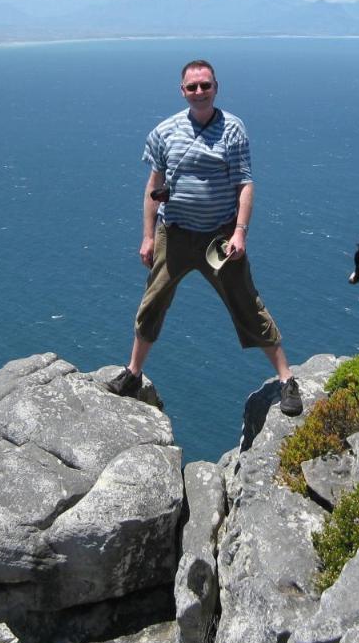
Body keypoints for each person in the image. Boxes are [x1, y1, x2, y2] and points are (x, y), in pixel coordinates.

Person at [105, 59, 302, 416]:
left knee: (245, 302)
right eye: (192, 87)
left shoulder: (232, 130)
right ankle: (133, 372)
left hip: (217, 240)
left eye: (205, 86)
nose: (199, 92)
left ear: (216, 87)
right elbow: (154, 187)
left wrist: (240, 233)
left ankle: (287, 379)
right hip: (176, 235)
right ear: (182, 91)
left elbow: (245, 184)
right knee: (153, 302)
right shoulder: (164, 132)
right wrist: (148, 237)